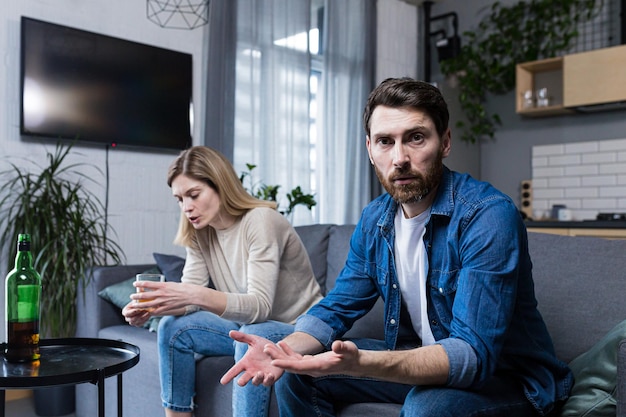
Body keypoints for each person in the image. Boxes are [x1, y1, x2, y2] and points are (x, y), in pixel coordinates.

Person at [221, 78, 573, 417]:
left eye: (416, 138)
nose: (400, 158)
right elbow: (339, 305)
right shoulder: (376, 219)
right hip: (426, 361)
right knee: (299, 372)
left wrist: (364, 364)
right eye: (385, 141)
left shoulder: (487, 216)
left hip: (508, 379)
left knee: (427, 407)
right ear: (370, 149)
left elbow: (472, 357)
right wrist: (284, 353)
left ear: (445, 142)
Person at [122, 146, 323, 417]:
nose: (187, 207)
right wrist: (152, 309)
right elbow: (189, 298)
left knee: (249, 339)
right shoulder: (200, 232)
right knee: (173, 327)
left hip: (297, 329)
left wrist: (194, 294)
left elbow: (260, 307)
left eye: (194, 195)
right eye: (180, 199)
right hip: (249, 326)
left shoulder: (261, 221)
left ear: (221, 185)